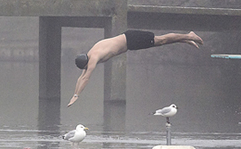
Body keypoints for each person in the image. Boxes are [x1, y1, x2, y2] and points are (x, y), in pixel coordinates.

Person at [68, 30, 203, 106]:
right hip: (130, 41)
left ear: (86, 63)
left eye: (86, 67)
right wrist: (74, 95)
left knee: (160, 40)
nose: (87, 68)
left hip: (132, 39)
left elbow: (86, 78)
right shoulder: (90, 54)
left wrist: (77, 95)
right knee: (161, 42)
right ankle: (185, 39)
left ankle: (189, 36)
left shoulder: (94, 57)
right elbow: (82, 76)